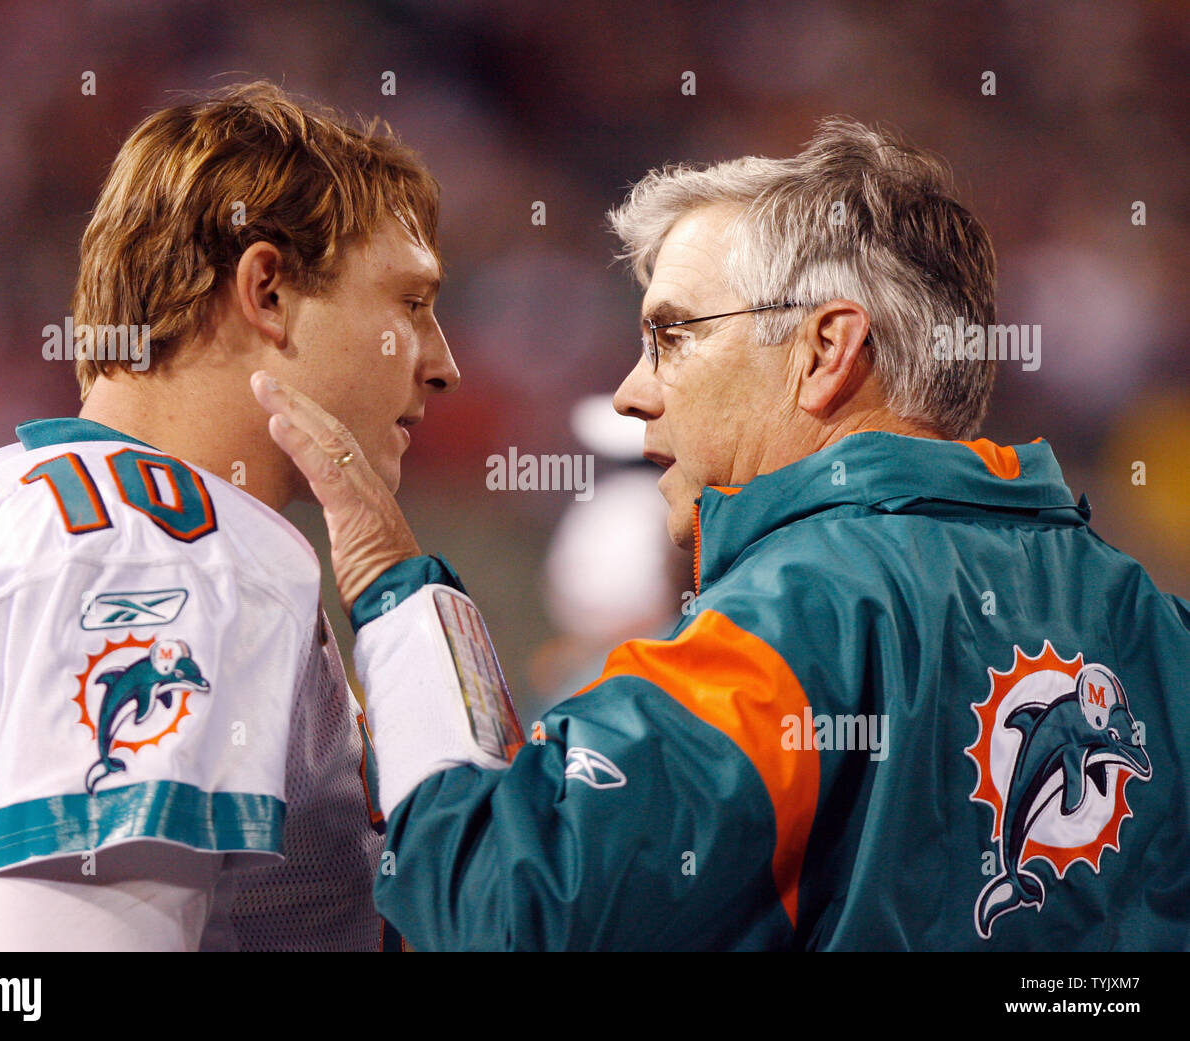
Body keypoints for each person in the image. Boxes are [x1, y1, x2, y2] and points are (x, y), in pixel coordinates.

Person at [253, 117, 1190, 950]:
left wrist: (395, 583)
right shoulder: (1160, 631)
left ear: (825, 352)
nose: (633, 390)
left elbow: (499, 903)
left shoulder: (793, 622)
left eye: (672, 334)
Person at [0, 81, 458, 951]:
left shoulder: (10, 486)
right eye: (411, 305)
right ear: (266, 289)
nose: (442, 362)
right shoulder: (152, 540)